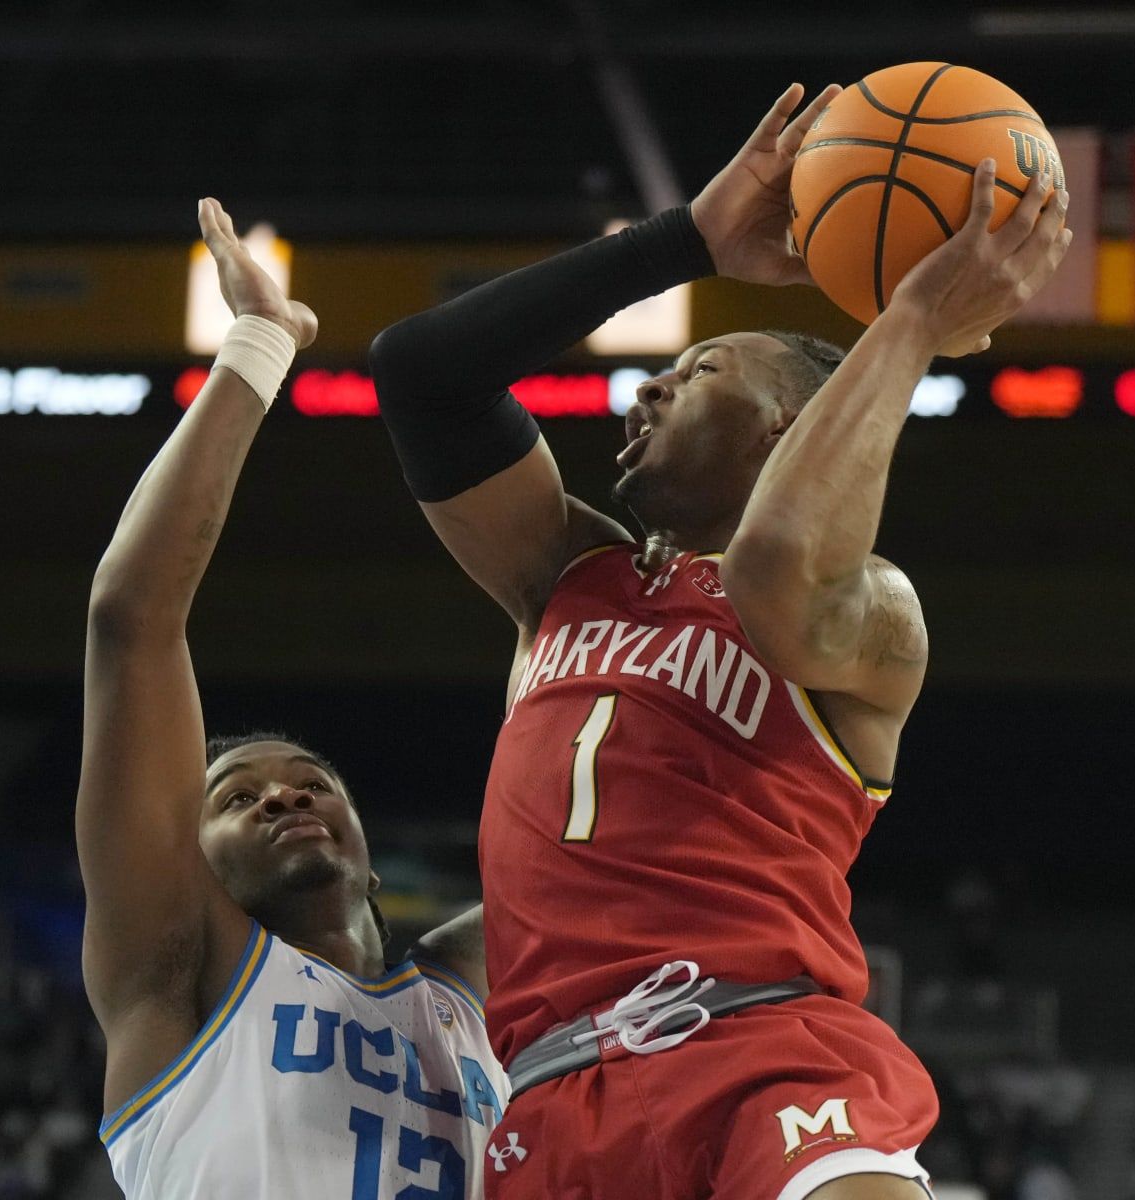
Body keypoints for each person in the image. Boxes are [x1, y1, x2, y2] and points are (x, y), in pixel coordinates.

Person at [369, 82, 1071, 1200]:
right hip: (550, 1108)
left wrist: (909, 323)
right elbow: (422, 375)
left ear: (788, 428)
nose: (646, 383)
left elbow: (774, 566)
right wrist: (683, 242)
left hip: (762, 1059)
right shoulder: (565, 576)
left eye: (698, 372)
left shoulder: (875, 614)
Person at [76, 198, 506, 1200]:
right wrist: (262, 343)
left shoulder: (459, 987)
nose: (283, 797)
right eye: (236, 797)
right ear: (194, 858)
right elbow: (130, 616)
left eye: (312, 783)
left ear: (361, 838)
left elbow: (638, 838)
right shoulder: (173, 970)